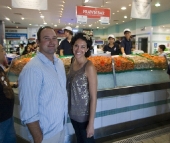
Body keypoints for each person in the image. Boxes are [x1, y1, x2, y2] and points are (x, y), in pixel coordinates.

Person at [19, 26, 68, 143]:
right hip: (45, 135)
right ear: (38, 42)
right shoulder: (32, 69)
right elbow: (28, 110)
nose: (51, 42)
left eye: (54, 38)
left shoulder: (59, 64)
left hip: (60, 128)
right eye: (46, 38)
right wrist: (38, 137)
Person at [67, 32, 97, 143]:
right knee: (79, 140)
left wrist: (91, 123)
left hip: (84, 117)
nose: (78, 49)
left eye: (83, 46)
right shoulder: (72, 60)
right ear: (72, 46)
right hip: (72, 113)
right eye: (76, 45)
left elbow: (94, 97)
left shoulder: (89, 67)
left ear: (87, 49)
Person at [0, 44, 17, 143]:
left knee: (10, 139)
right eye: (2, 50)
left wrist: (14, 84)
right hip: (1, 118)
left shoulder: (1, 69)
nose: (4, 53)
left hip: (7, 116)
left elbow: (3, 83)